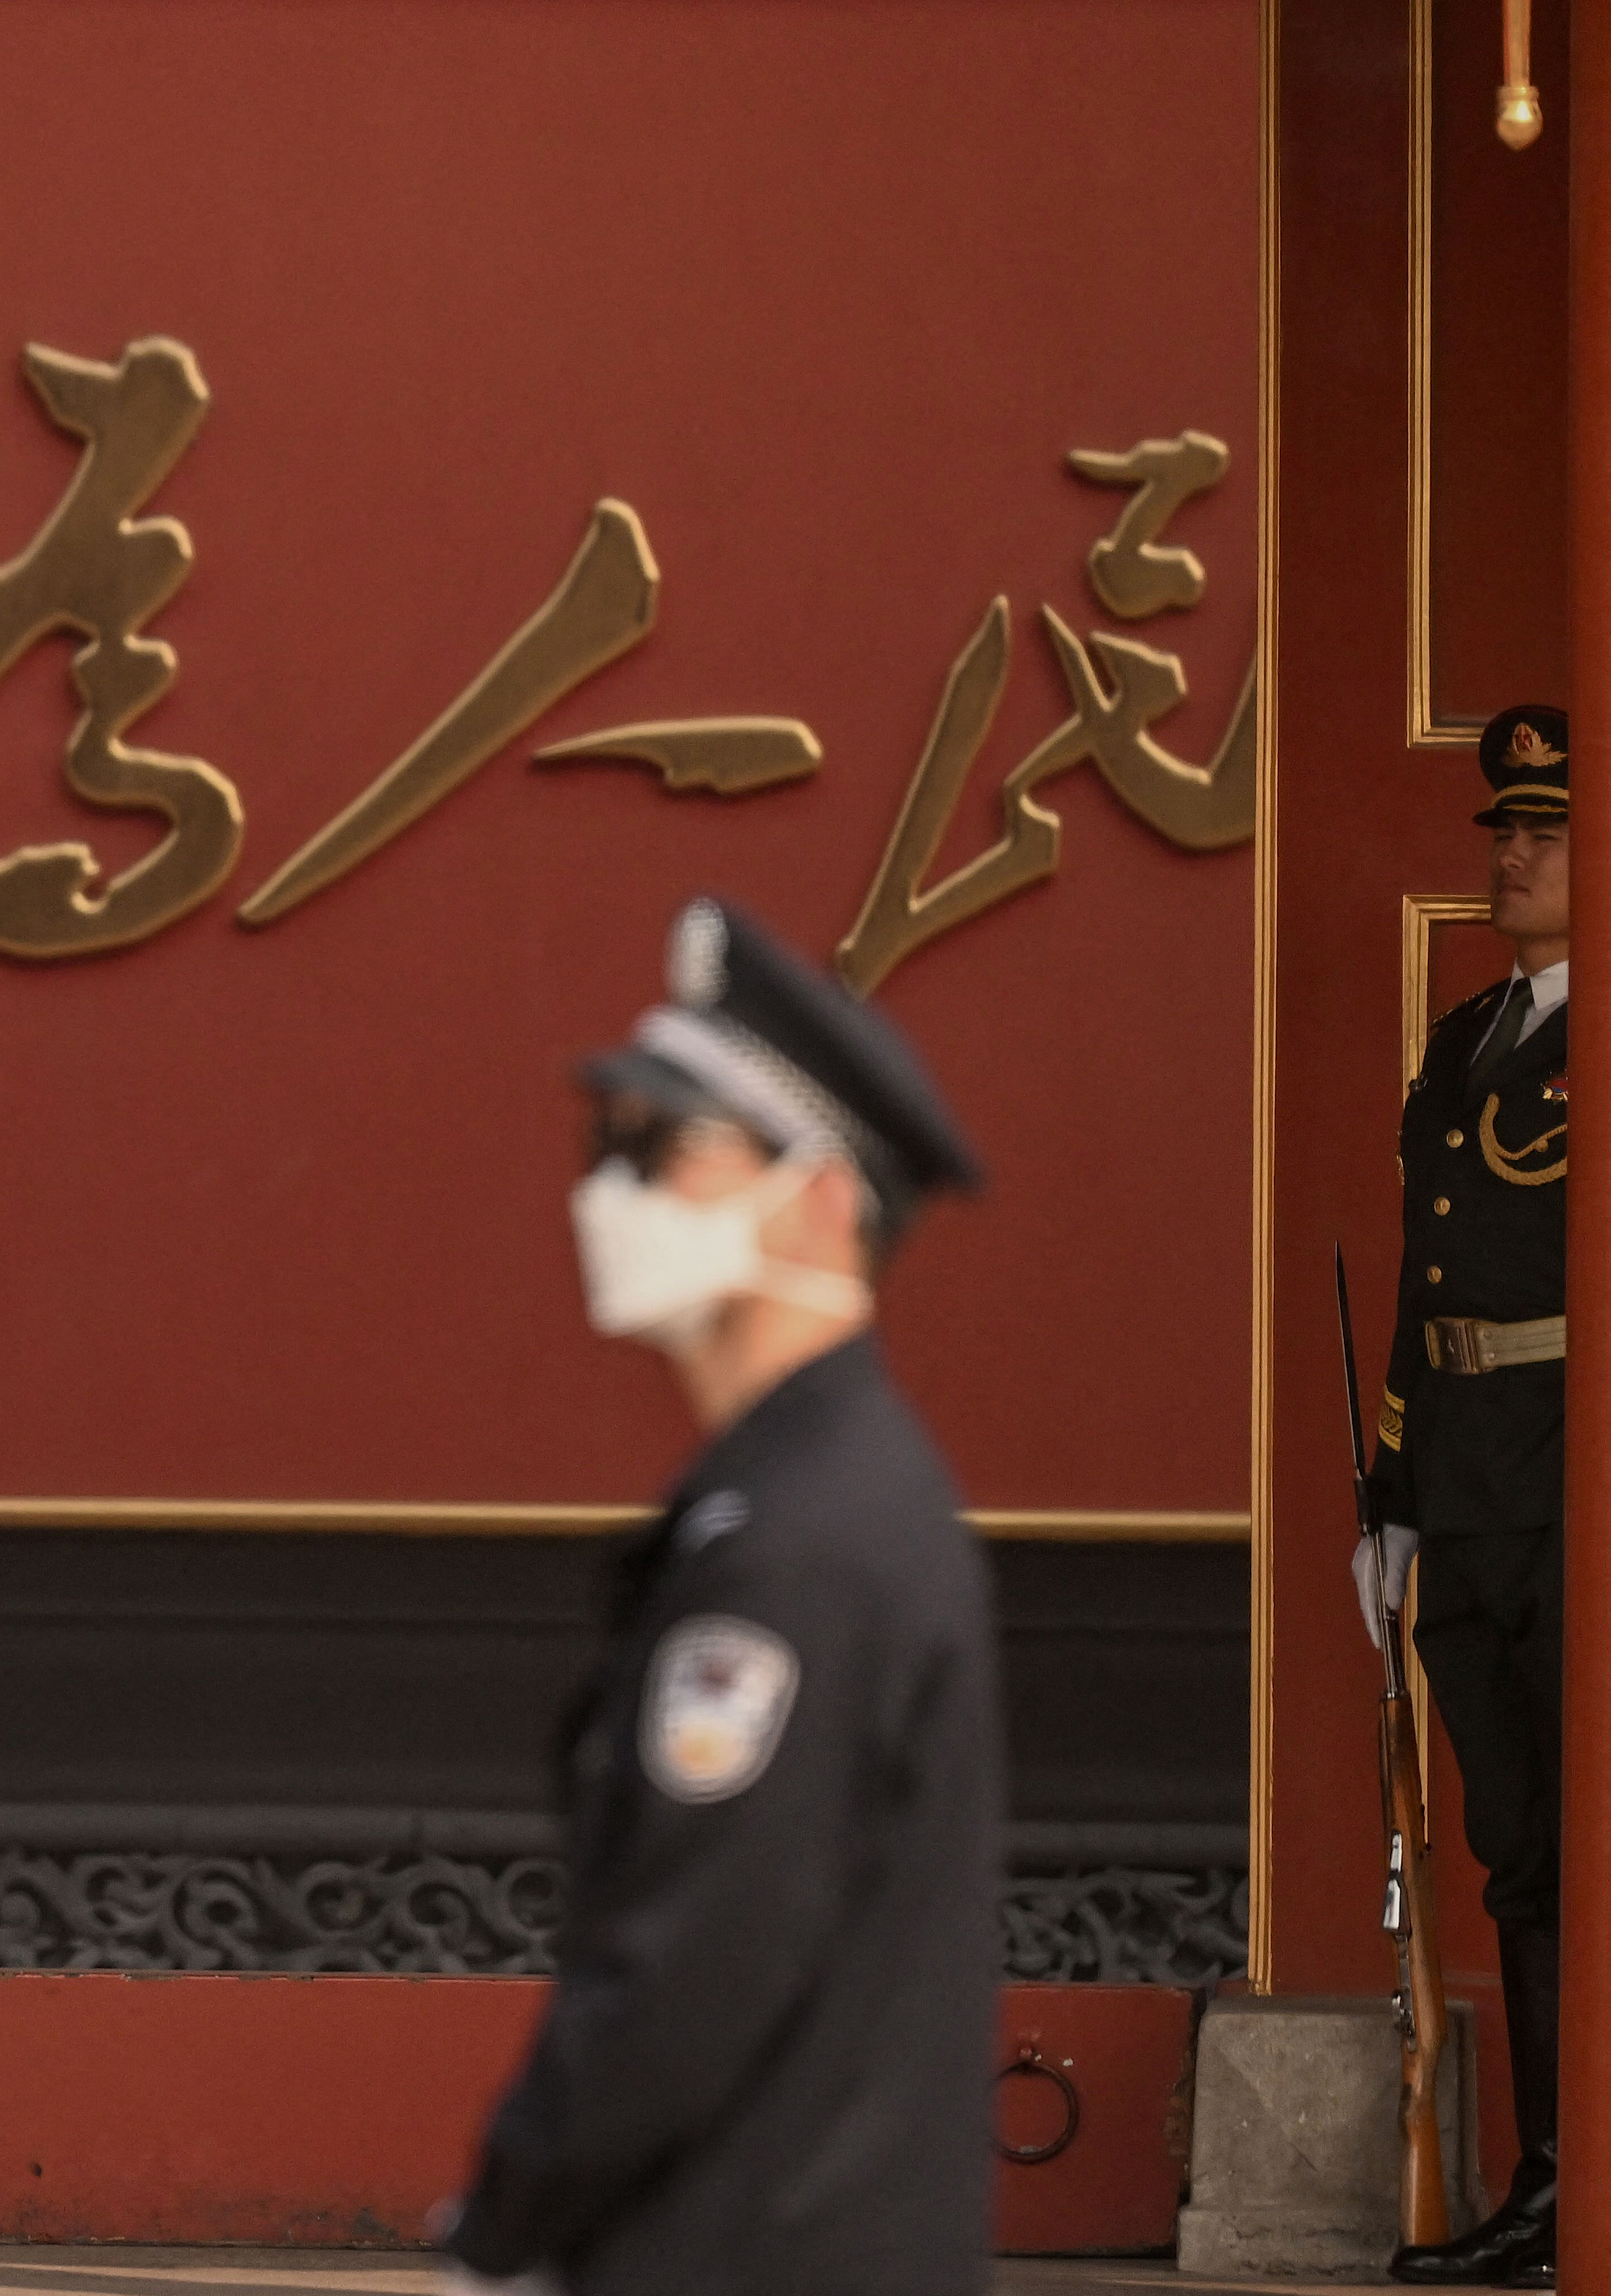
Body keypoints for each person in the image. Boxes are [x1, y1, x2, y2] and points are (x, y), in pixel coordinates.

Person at [431, 894, 995, 2296]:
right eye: (609, 1149)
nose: (613, 1196)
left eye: (667, 1151)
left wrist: (509, 2214)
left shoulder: (794, 1541)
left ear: (814, 1197)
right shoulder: (815, 1492)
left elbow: (699, 1957)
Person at [1360, 704, 1569, 2290]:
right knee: (1511, 1841)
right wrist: (1392, 1487)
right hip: (1473, 1475)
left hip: (1575, 1470)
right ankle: (1552, 2177)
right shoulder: (1464, 1036)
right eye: (1502, 830)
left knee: (1591, 1833)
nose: (1507, 856)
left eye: (1543, 834)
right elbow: (1427, 1275)